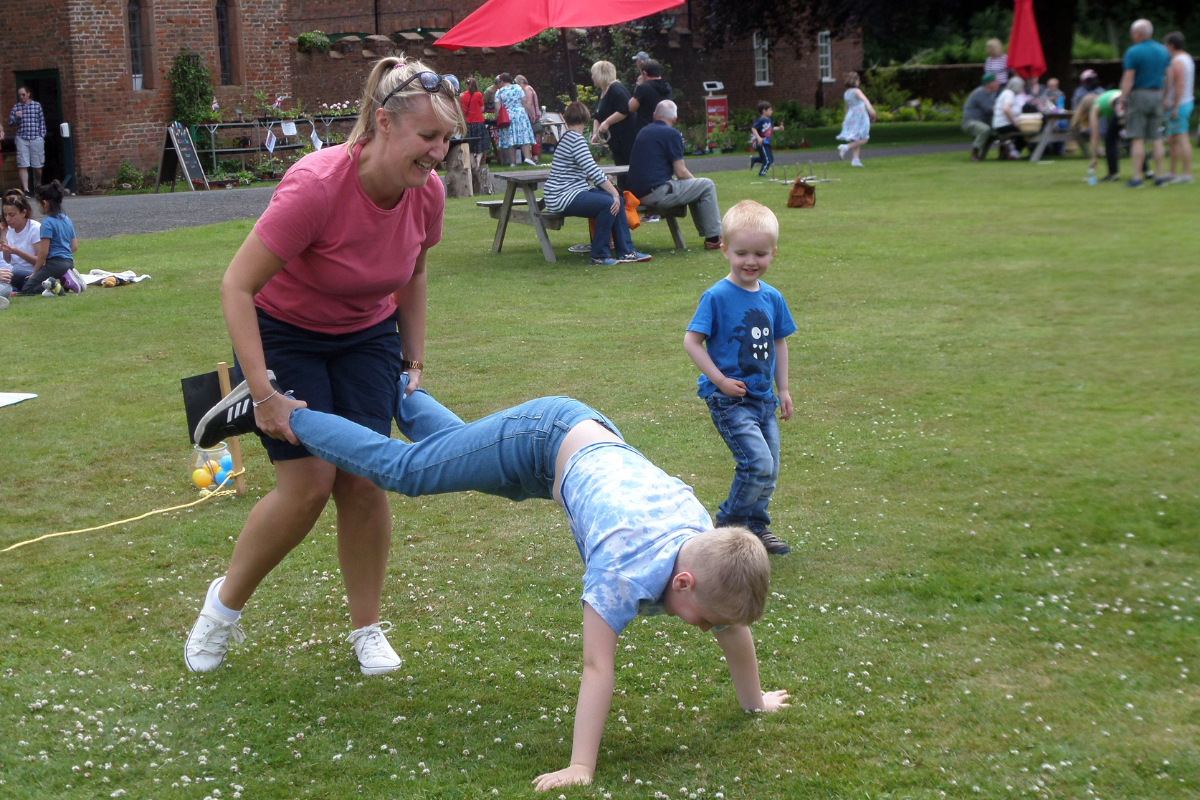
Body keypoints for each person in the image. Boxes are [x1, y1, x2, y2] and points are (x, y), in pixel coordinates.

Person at [195, 374, 790, 792]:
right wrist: (582, 766)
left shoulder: (705, 541)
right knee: (404, 471)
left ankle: (406, 396)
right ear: (682, 581)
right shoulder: (622, 567)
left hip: (572, 447)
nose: (705, 629)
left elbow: (733, 626)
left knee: (471, 465)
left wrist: (754, 701)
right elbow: (596, 668)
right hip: (545, 435)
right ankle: (278, 408)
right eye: (703, 620)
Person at [183, 55, 463, 677]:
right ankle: (220, 611)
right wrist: (262, 393)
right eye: (428, 137)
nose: (439, 152)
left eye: (447, 138)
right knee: (306, 486)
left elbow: (414, 269)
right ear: (383, 124)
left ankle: (366, 629)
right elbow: (236, 286)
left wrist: (412, 352)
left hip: (365, 335)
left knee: (363, 479)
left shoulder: (427, 193)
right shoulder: (316, 186)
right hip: (285, 335)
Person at [684, 200, 794, 556]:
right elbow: (692, 341)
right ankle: (727, 526)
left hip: (763, 399)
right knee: (757, 464)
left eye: (760, 254)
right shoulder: (716, 296)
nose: (751, 261)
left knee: (770, 469)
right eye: (742, 252)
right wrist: (719, 381)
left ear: (773, 253)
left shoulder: (773, 297)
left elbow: (779, 342)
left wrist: (785, 389)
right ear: (725, 250)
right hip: (729, 400)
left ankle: (756, 528)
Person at [542, 102, 650, 266]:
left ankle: (627, 251)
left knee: (618, 201)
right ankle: (599, 256)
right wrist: (613, 191)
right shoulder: (576, 140)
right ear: (586, 120)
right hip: (562, 196)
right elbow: (593, 171)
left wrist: (611, 190)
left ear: (566, 119)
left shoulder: (567, 137)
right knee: (609, 202)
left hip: (566, 192)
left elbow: (582, 170)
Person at [627, 100, 723, 249]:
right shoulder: (672, 134)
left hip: (636, 194)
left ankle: (711, 236)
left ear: (654, 115)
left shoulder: (644, 131)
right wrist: (695, 184)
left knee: (697, 187)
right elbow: (681, 172)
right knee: (706, 185)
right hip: (656, 193)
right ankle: (714, 238)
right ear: (675, 119)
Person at [1119, 19, 1172, 187]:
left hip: (1139, 94)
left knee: (1137, 137)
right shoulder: (1163, 51)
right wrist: (1165, 97)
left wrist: (1122, 99)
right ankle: (1159, 176)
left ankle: (1137, 177)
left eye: (1133, 33)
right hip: (1157, 94)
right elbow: (1169, 77)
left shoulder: (1133, 52)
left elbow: (1129, 78)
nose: (1132, 36)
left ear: (1139, 34)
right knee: (1156, 137)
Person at [18, 181, 80, 297]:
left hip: (55, 263)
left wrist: (35, 272)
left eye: (38, 203)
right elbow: (74, 246)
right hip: (69, 262)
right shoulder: (66, 219)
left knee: (27, 289)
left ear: (45, 203)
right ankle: (63, 281)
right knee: (43, 283)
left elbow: (43, 252)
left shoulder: (47, 223)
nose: (38, 206)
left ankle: (61, 282)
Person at [589, 60, 636, 191]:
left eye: (594, 74)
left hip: (626, 138)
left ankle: (629, 196)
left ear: (601, 74)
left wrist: (607, 122)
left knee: (627, 167)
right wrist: (595, 134)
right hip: (616, 140)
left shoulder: (616, 89)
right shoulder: (603, 92)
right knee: (620, 166)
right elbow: (597, 116)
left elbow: (625, 109)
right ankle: (623, 193)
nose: (592, 77)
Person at [1162, 32, 1194, 184]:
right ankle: (1172, 172)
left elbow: (1179, 85)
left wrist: (1174, 106)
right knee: (1172, 139)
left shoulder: (1177, 62)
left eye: (1166, 45)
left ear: (1171, 45)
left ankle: (1187, 174)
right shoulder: (1187, 58)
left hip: (1179, 104)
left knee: (1182, 138)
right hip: (1183, 102)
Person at [1074, 89, 1124, 182]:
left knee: (1109, 141)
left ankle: (1112, 174)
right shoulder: (1105, 98)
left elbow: (1094, 136)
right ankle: (1147, 171)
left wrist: (1093, 158)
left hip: (1119, 103)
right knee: (1135, 139)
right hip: (1131, 98)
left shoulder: (1095, 106)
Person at [8, 86, 47, 193]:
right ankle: (26, 189)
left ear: (28, 94)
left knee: (37, 165)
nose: (21, 97)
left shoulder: (36, 106)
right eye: (19, 95)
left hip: (35, 137)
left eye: (23, 94)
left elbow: (41, 122)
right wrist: (16, 117)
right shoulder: (16, 108)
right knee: (22, 164)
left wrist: (41, 136)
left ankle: (38, 184)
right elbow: (10, 123)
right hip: (22, 138)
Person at [2, 190, 41, 293]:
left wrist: (18, 252)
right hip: (15, 271)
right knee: (6, 274)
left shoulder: (34, 228)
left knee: (12, 275)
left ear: (23, 213)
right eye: (5, 215)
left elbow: (41, 261)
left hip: (32, 271)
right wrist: (6, 250)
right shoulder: (10, 229)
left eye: (11, 215)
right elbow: (8, 260)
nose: (8, 219)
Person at [494, 73, 537, 167]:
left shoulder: (499, 92)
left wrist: (497, 117)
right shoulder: (518, 88)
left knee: (511, 139)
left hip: (508, 115)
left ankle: (513, 162)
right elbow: (525, 102)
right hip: (520, 114)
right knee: (523, 135)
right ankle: (527, 158)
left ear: (501, 81)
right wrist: (532, 113)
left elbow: (497, 108)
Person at [836, 72, 876, 167]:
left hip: (851, 116)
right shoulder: (856, 91)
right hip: (860, 116)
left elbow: (847, 107)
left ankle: (855, 160)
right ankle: (845, 147)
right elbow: (865, 100)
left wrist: (846, 119)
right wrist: (871, 110)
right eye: (858, 80)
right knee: (864, 138)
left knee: (856, 137)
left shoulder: (846, 93)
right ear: (855, 81)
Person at [627, 59, 673, 133]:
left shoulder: (644, 88)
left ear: (644, 73)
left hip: (647, 130)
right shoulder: (667, 87)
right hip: (665, 129)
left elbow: (631, 107)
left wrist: (639, 85)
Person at [962, 73, 1001, 161]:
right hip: (971, 122)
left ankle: (1004, 153)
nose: (998, 84)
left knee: (1003, 128)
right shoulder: (980, 92)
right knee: (984, 129)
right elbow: (990, 109)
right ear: (990, 84)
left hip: (983, 121)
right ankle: (974, 154)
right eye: (996, 82)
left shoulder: (991, 94)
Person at [992, 76, 1027, 159]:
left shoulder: (1006, 93)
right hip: (1003, 125)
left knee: (1023, 132)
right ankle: (1014, 153)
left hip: (999, 124)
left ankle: (1012, 151)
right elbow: (1006, 109)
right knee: (1026, 133)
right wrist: (1015, 123)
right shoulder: (1009, 94)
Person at [458, 76, 489, 167]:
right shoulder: (478, 95)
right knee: (481, 143)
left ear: (466, 86)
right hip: (479, 122)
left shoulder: (462, 96)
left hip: (468, 123)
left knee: (469, 144)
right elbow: (482, 108)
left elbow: (461, 110)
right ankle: (478, 161)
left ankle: (472, 163)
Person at [749, 101, 782, 176]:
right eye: (770, 109)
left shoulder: (769, 120)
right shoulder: (761, 120)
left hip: (767, 143)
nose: (771, 111)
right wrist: (759, 138)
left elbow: (771, 128)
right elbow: (754, 128)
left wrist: (779, 128)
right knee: (767, 161)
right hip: (762, 143)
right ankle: (762, 173)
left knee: (770, 160)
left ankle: (755, 159)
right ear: (764, 111)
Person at [514, 75, 543, 157]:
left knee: (533, 134)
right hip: (533, 113)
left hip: (531, 114)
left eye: (518, 83)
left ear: (522, 82)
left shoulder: (527, 89)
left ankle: (535, 155)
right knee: (533, 135)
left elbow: (529, 103)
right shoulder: (529, 88)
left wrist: (526, 114)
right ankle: (532, 155)